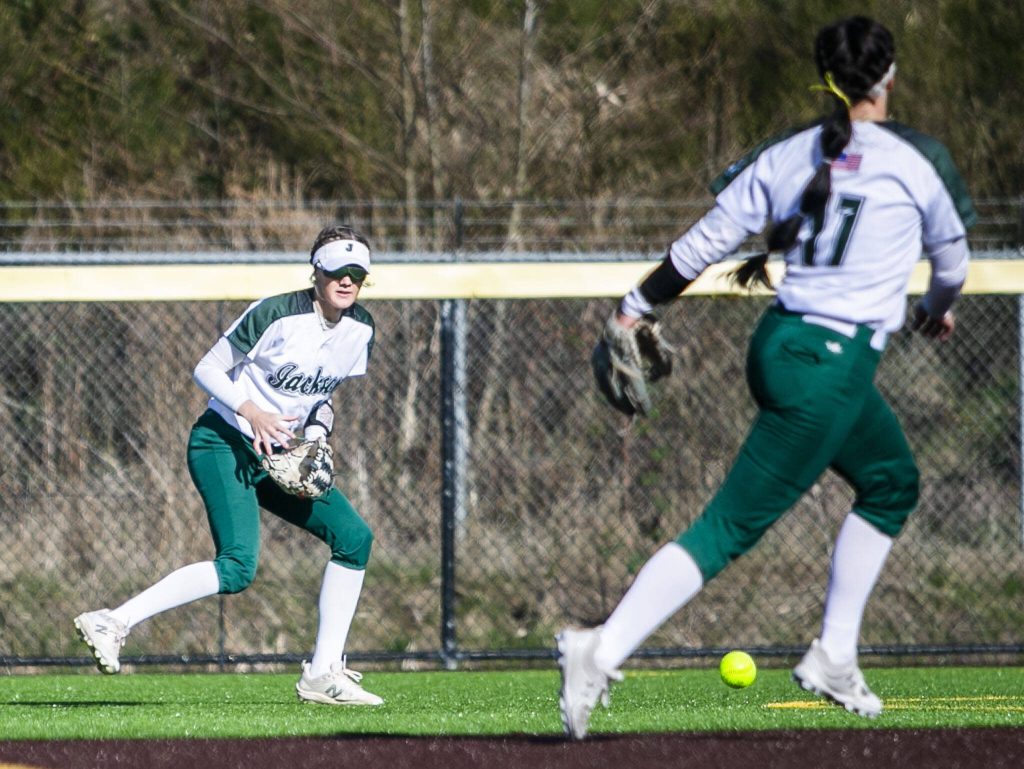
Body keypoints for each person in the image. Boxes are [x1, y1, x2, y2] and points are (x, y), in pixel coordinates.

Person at [557, 16, 975, 739]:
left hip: (781, 344)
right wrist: (938, 311)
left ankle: (835, 654)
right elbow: (955, 263)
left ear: (826, 78)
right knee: (728, 526)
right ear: (889, 78)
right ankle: (603, 645)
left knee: (891, 480)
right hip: (830, 368)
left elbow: (705, 243)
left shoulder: (789, 154)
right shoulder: (914, 160)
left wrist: (634, 307)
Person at [74, 224, 384, 706]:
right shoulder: (278, 313)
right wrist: (251, 410)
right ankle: (112, 622)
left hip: (278, 453)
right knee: (238, 568)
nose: (346, 282)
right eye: (336, 271)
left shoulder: (360, 328)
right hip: (223, 442)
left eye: (357, 274)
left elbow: (321, 399)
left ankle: (323, 674)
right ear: (316, 272)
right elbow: (207, 367)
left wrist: (318, 439)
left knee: (354, 538)